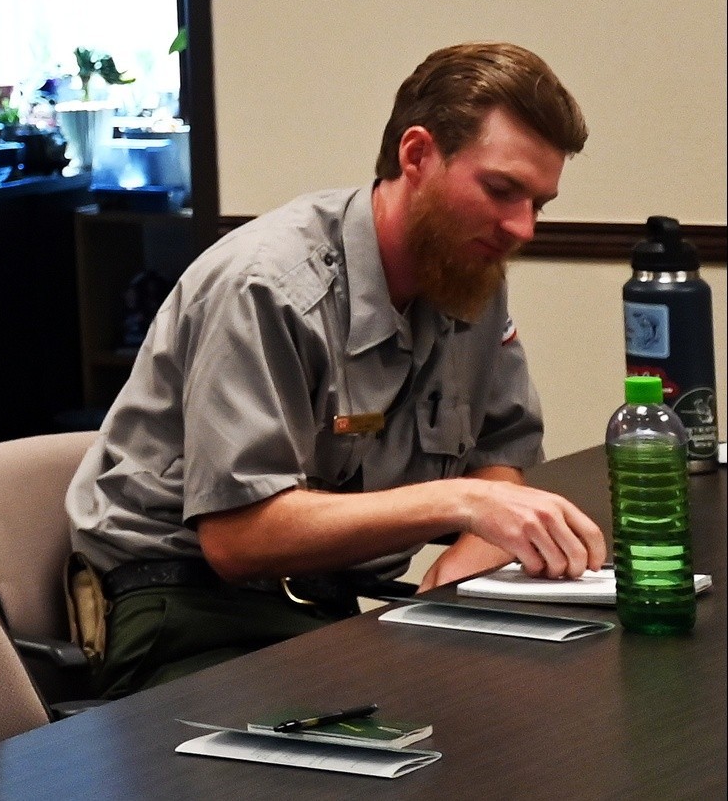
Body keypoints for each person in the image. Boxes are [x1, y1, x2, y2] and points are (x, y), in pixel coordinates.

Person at [66, 42, 608, 698]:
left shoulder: (466, 271)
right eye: (501, 190)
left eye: (539, 204)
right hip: (187, 614)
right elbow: (240, 540)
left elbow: (500, 447)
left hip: (326, 601)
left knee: (536, 710)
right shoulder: (267, 287)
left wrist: (467, 558)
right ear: (416, 157)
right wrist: (466, 502)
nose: (522, 228)